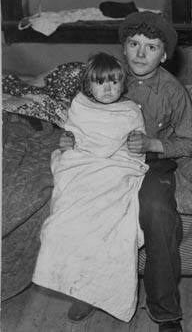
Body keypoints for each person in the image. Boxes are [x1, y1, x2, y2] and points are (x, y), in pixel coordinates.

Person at [60, 12, 192, 332]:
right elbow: (80, 116)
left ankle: (165, 309)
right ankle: (90, 288)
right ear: (123, 48)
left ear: (164, 55)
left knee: (156, 211)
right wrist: (71, 136)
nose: (140, 53)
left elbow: (191, 142)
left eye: (151, 47)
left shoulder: (172, 89)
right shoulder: (106, 75)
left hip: (152, 164)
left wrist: (153, 143)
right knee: (89, 207)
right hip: (105, 160)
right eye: (134, 44)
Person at [32, 52, 149, 322]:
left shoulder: (130, 110)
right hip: (83, 166)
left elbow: (136, 150)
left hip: (113, 169)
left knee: (110, 223)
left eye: (114, 82)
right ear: (88, 86)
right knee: (62, 223)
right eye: (100, 82)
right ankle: (82, 290)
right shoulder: (80, 106)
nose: (107, 89)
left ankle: (100, 292)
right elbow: (74, 137)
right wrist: (68, 144)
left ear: (123, 84)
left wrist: (133, 148)